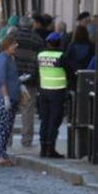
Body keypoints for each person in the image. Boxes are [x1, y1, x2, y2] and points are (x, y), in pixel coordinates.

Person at [14, 16, 48, 148]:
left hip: (13, 78)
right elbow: (41, 60)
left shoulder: (14, 37)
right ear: (32, 26)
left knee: (10, 108)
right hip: (30, 79)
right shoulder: (37, 40)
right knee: (27, 110)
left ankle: (8, 138)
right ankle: (26, 140)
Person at [36, 31, 69, 159]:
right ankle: (50, 149)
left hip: (44, 91)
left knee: (45, 120)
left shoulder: (41, 55)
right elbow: (70, 72)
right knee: (54, 121)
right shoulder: (61, 56)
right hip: (57, 91)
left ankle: (43, 148)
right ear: (59, 43)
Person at [0, 33, 22, 166]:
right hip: (5, 97)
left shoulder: (10, 58)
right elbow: (2, 80)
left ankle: (2, 153)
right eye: (13, 44)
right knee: (3, 127)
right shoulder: (3, 59)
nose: (15, 46)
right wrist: (5, 97)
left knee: (8, 127)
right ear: (7, 46)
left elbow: (11, 77)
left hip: (12, 95)